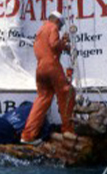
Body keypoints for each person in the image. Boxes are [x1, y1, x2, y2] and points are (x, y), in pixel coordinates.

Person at [20, 11, 75, 145]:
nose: (60, 28)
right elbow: (54, 44)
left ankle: (27, 136)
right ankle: (68, 132)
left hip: (40, 69)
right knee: (66, 93)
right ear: (57, 21)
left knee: (42, 99)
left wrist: (63, 44)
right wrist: (65, 45)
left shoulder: (40, 31)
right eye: (61, 25)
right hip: (52, 66)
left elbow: (48, 47)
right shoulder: (53, 27)